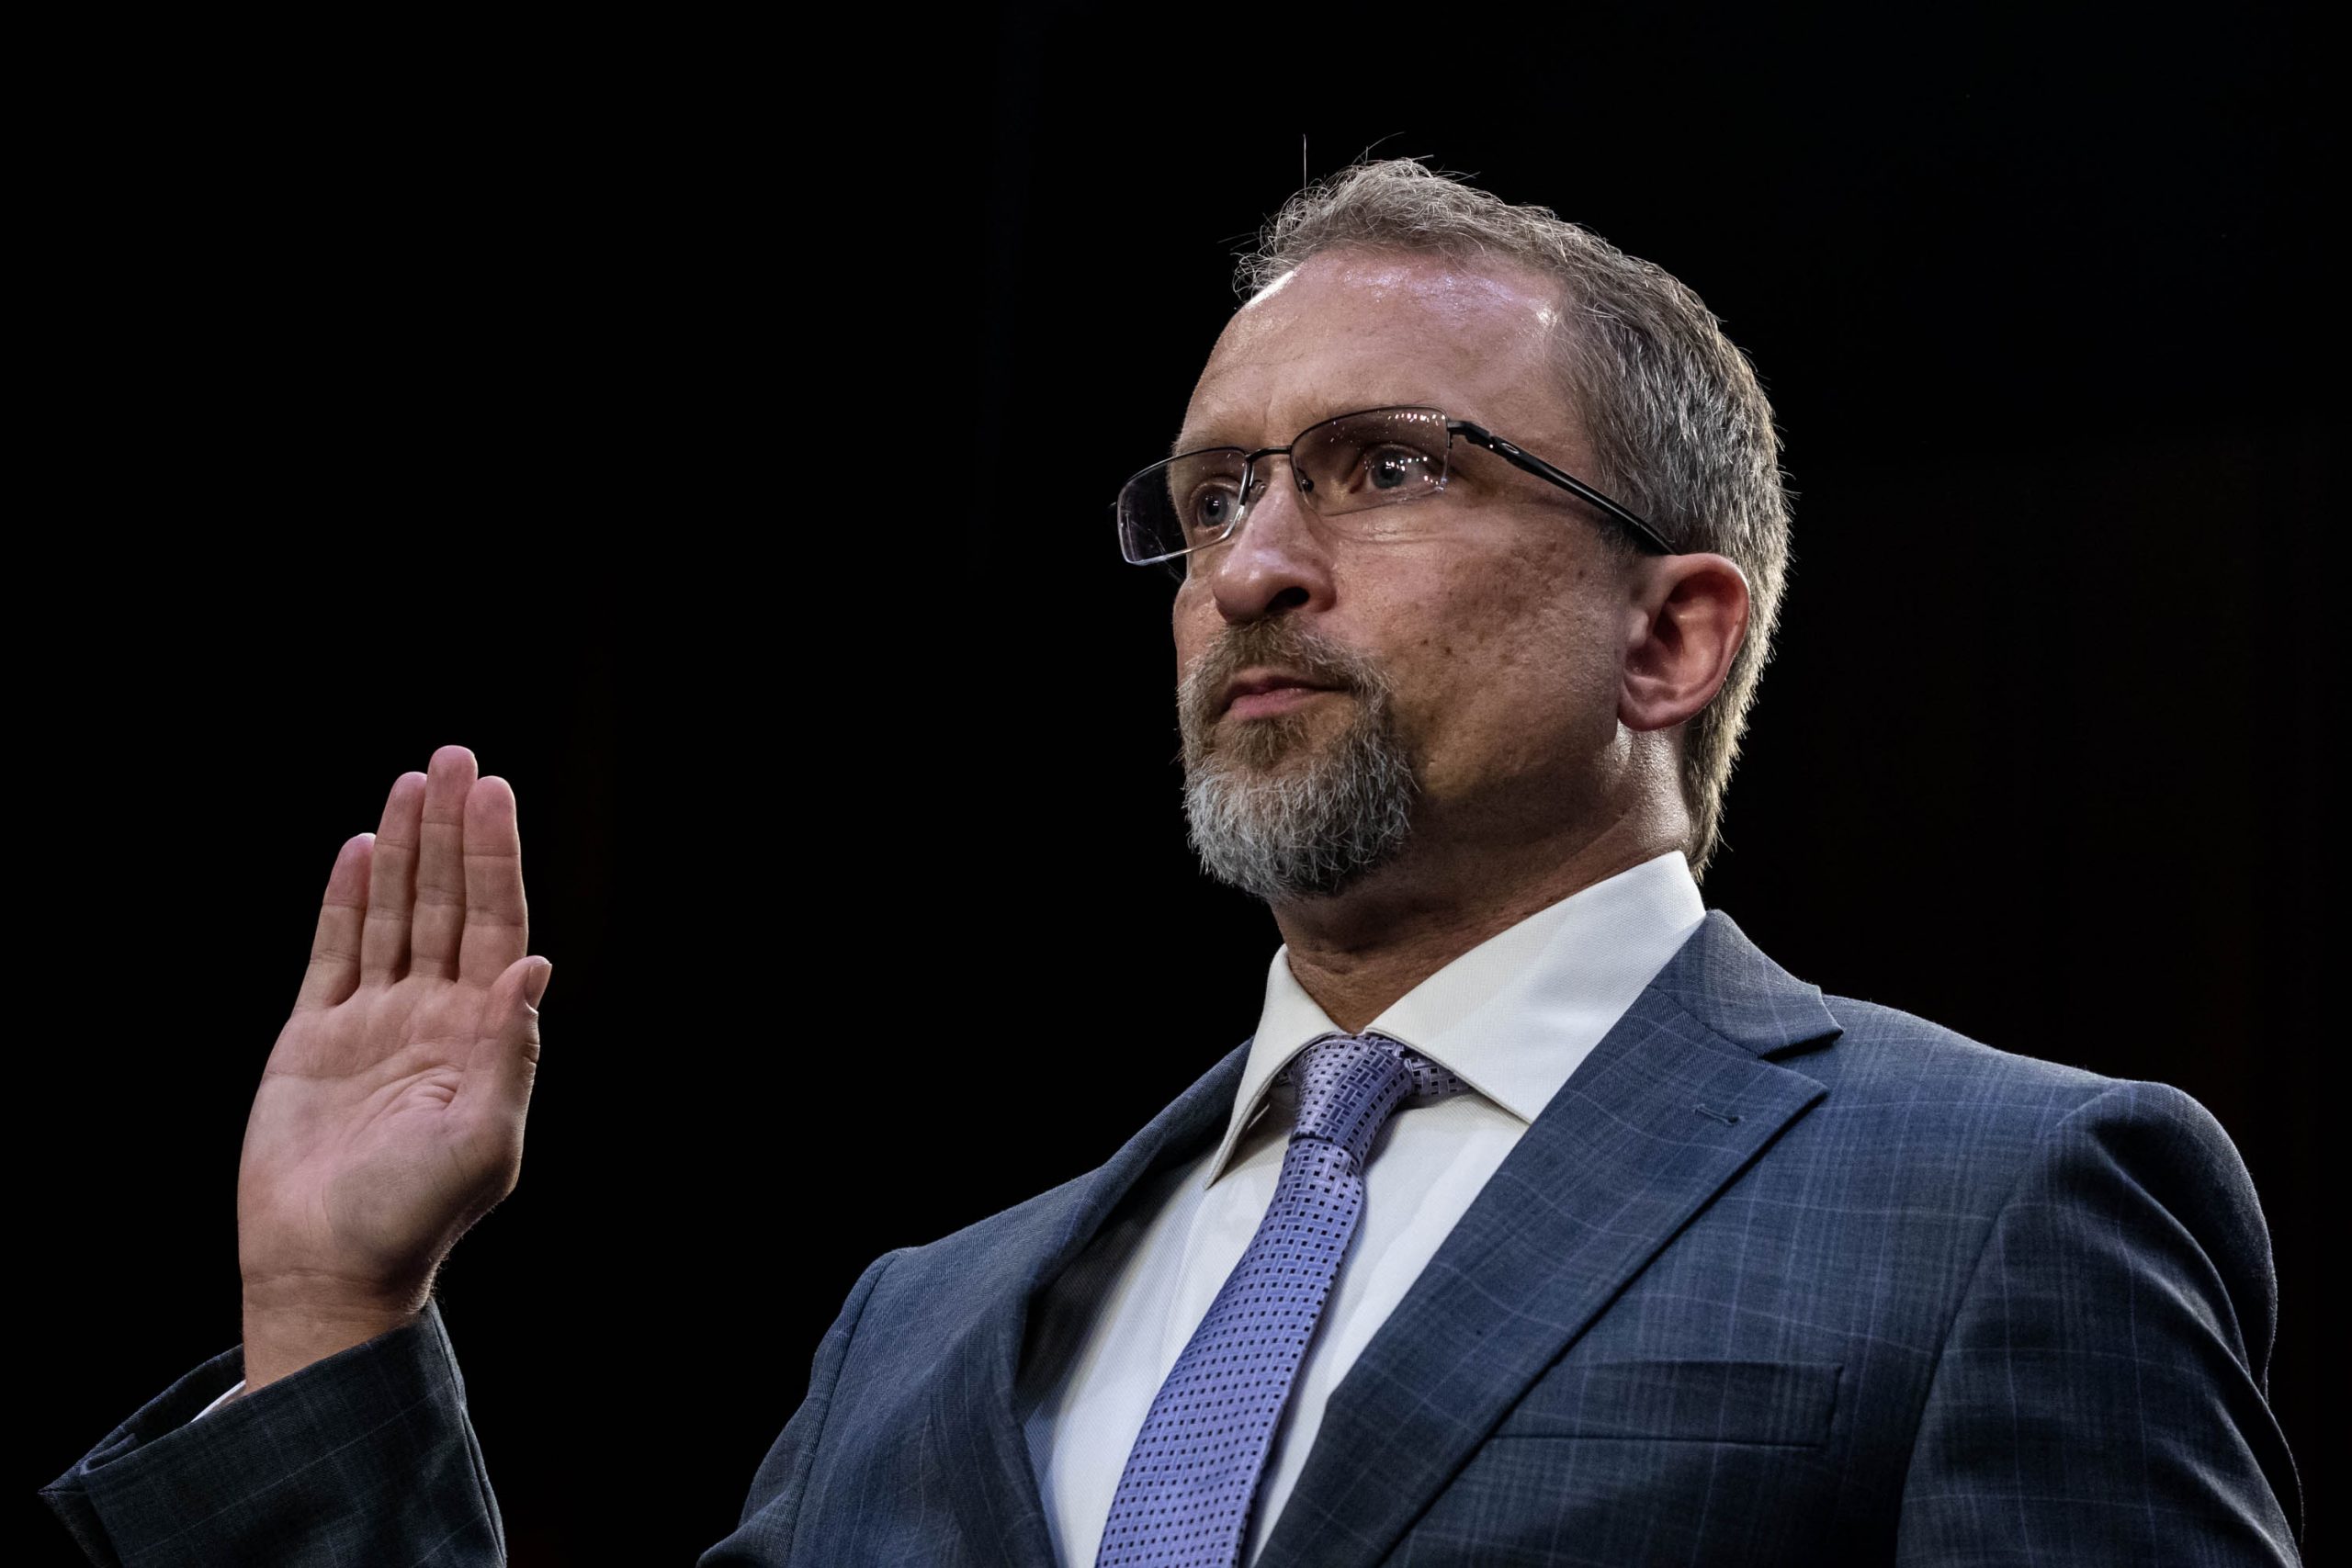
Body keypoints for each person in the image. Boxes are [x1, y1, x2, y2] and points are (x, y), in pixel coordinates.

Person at [42, 161, 2302, 1566]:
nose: (1251, 569)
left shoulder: (2001, 1196)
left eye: (1381, 467)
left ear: (1669, 627)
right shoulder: (918, 1324)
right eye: (1211, 497)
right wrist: (336, 1322)